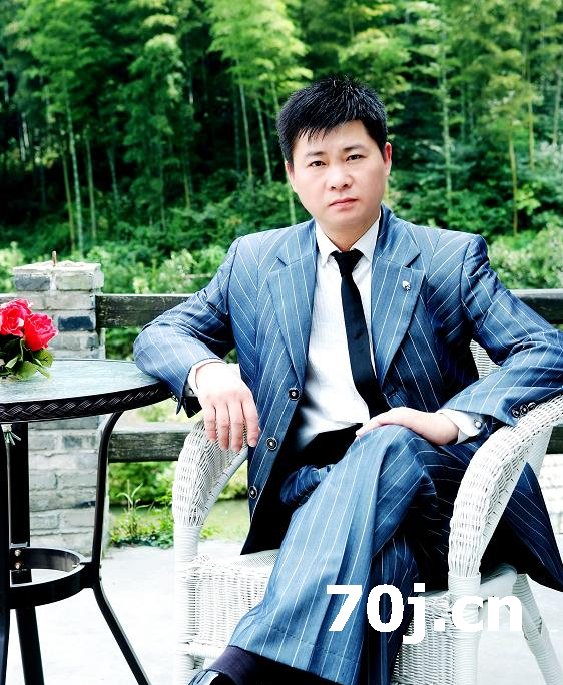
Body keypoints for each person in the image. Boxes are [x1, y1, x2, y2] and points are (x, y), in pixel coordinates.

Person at [133, 76, 563, 685]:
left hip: (440, 494)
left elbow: (546, 348)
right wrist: (206, 371)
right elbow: (162, 333)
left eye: (354, 156)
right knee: (383, 567)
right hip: (309, 496)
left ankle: (238, 668)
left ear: (385, 158)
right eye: (317, 162)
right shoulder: (254, 262)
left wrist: (449, 421)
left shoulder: (449, 258)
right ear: (292, 174)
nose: (337, 177)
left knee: (388, 442)